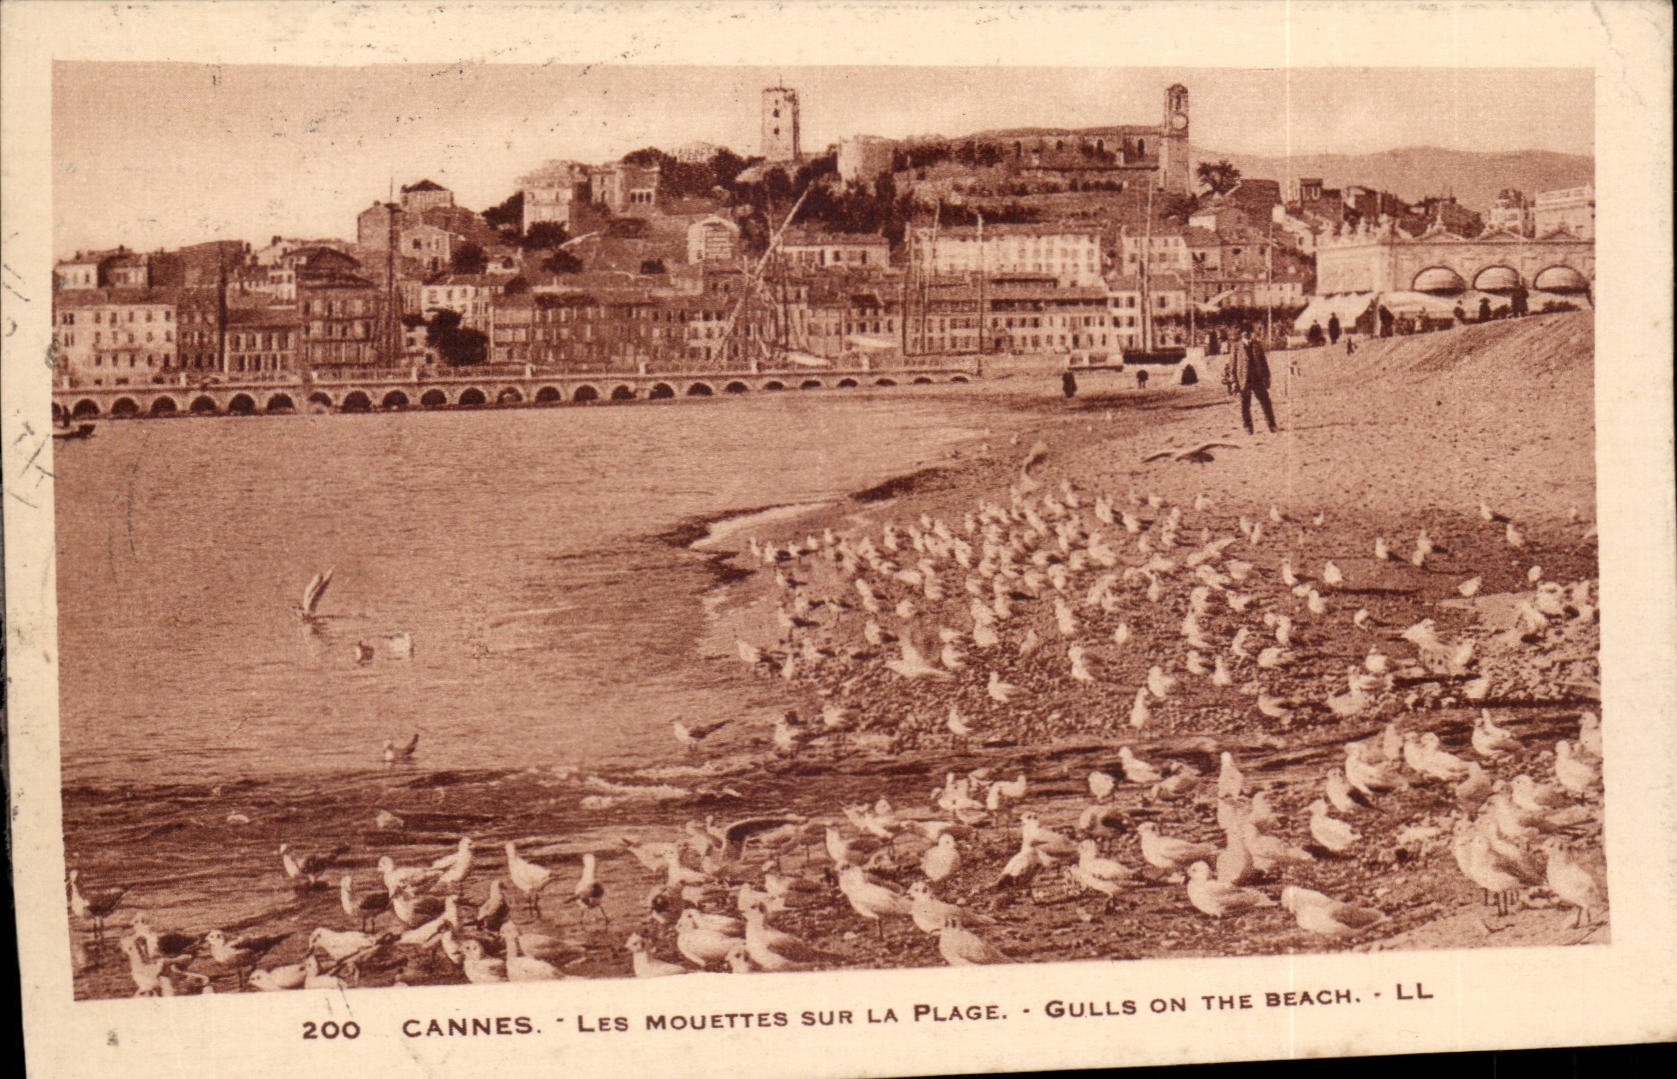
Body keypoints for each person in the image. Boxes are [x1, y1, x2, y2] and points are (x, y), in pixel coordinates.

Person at [1232, 324, 1277, 435]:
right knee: (1245, 405)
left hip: (1257, 379)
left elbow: (1264, 362)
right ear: (1241, 334)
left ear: (1251, 332)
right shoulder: (1236, 347)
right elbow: (1233, 365)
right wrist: (1234, 381)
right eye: (1243, 332)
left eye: (1248, 331)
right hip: (1244, 380)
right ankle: (1248, 427)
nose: (1246, 333)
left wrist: (1267, 377)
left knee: (1266, 402)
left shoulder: (1257, 345)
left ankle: (1272, 425)